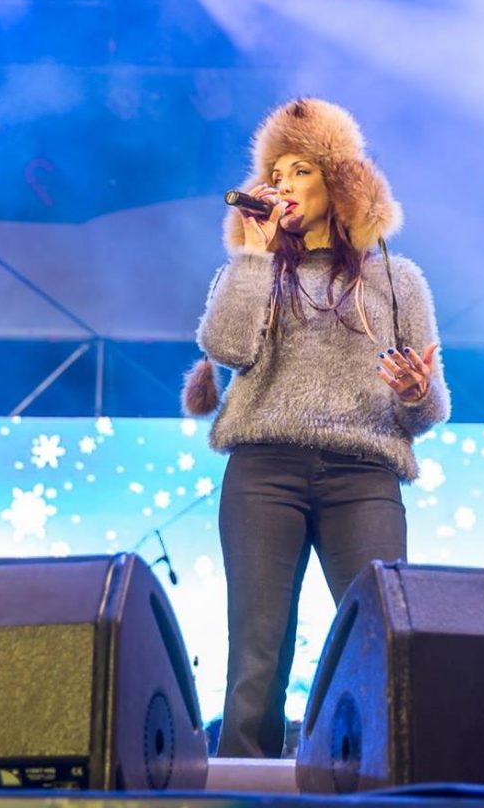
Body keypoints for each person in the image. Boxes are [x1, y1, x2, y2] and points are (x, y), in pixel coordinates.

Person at [182, 97, 450, 759]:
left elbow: (427, 411)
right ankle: (243, 788)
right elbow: (226, 347)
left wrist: (417, 392)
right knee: (257, 652)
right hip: (264, 472)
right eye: (274, 174)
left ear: (339, 184)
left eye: (299, 171)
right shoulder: (249, 273)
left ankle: (384, 776)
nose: (283, 185)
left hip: (363, 476)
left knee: (381, 639)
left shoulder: (398, 280)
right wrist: (253, 257)